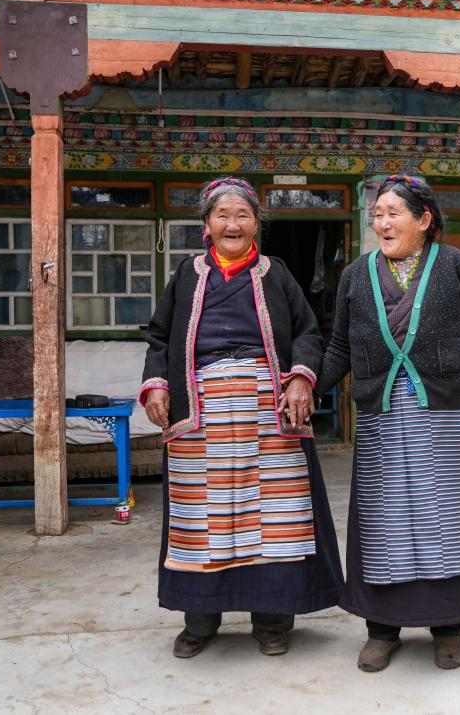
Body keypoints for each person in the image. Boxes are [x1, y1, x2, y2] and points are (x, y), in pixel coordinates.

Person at [316, 174, 460, 672]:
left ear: (424, 220)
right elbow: (339, 347)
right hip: (383, 419)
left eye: (394, 213)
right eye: (377, 215)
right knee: (384, 524)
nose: (383, 223)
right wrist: (309, 387)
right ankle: (382, 629)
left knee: (448, 521)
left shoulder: (456, 265)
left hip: (450, 416)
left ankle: (449, 628)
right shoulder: (356, 276)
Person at [140, 177, 343, 659]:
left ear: (256, 224)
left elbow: (308, 332)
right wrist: (157, 384)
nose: (233, 224)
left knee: (274, 518)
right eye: (223, 215)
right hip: (201, 408)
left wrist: (301, 378)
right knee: (201, 518)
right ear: (207, 224)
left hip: (268, 408)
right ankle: (200, 621)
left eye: (243, 215)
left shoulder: (276, 273)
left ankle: (273, 621)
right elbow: (160, 337)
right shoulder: (187, 275)